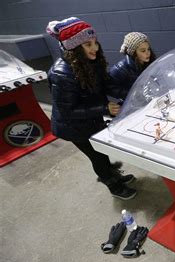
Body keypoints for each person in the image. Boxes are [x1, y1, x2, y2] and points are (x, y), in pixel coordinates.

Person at [46, 17, 136, 200]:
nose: (94, 48)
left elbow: (107, 85)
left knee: (102, 151)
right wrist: (104, 108)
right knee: (97, 156)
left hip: (91, 119)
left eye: (95, 43)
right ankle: (113, 186)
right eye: (88, 44)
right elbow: (68, 111)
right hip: (72, 127)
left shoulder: (90, 61)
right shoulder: (61, 74)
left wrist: (131, 94)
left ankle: (113, 176)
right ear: (74, 47)